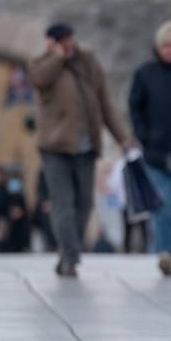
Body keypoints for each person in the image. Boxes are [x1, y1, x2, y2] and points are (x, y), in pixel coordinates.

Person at [28, 23, 134, 277]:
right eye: (61, 40)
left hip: (86, 147)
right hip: (55, 147)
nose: (68, 44)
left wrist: (123, 138)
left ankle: (67, 253)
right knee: (63, 203)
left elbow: (105, 104)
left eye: (69, 39)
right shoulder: (41, 64)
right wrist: (56, 57)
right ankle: (70, 257)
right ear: (50, 43)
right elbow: (39, 80)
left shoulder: (88, 63)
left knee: (84, 203)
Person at [129, 20, 171, 276]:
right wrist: (144, 136)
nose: (168, 50)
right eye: (164, 46)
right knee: (163, 204)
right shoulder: (145, 74)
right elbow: (135, 108)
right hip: (156, 152)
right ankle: (165, 251)